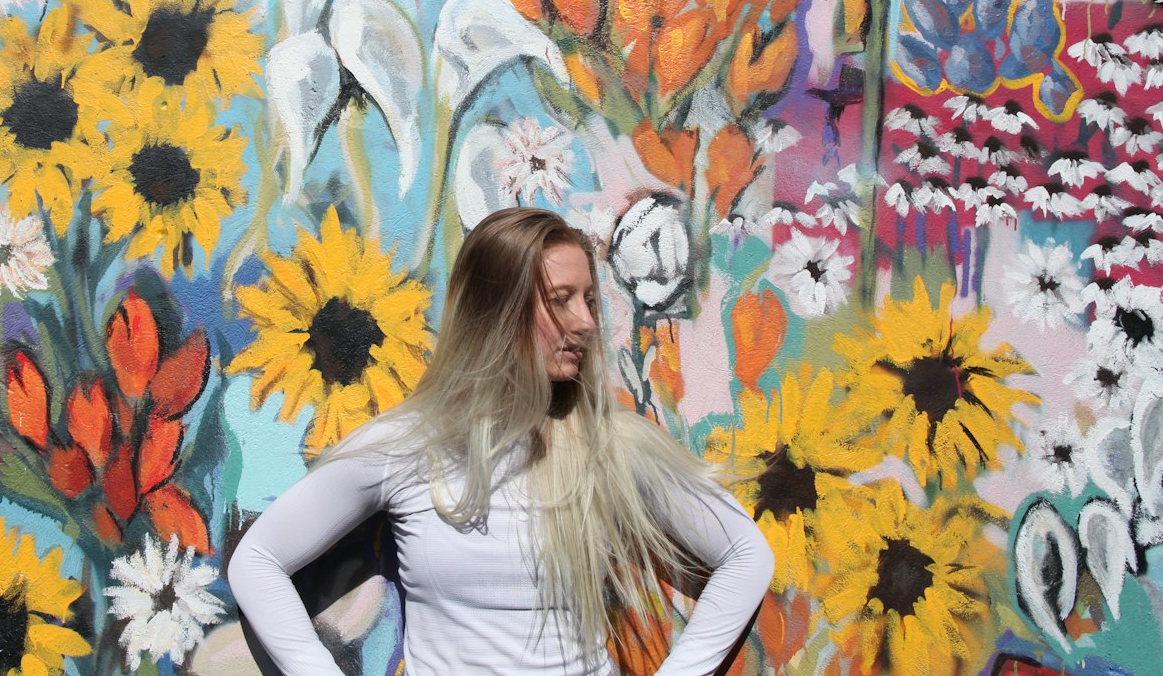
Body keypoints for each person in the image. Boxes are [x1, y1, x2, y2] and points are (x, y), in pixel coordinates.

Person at [227, 207, 774, 675]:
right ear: (496, 310)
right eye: (561, 299)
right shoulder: (408, 445)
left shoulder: (610, 446)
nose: (585, 321)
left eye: (589, 300)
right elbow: (257, 561)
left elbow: (745, 555)